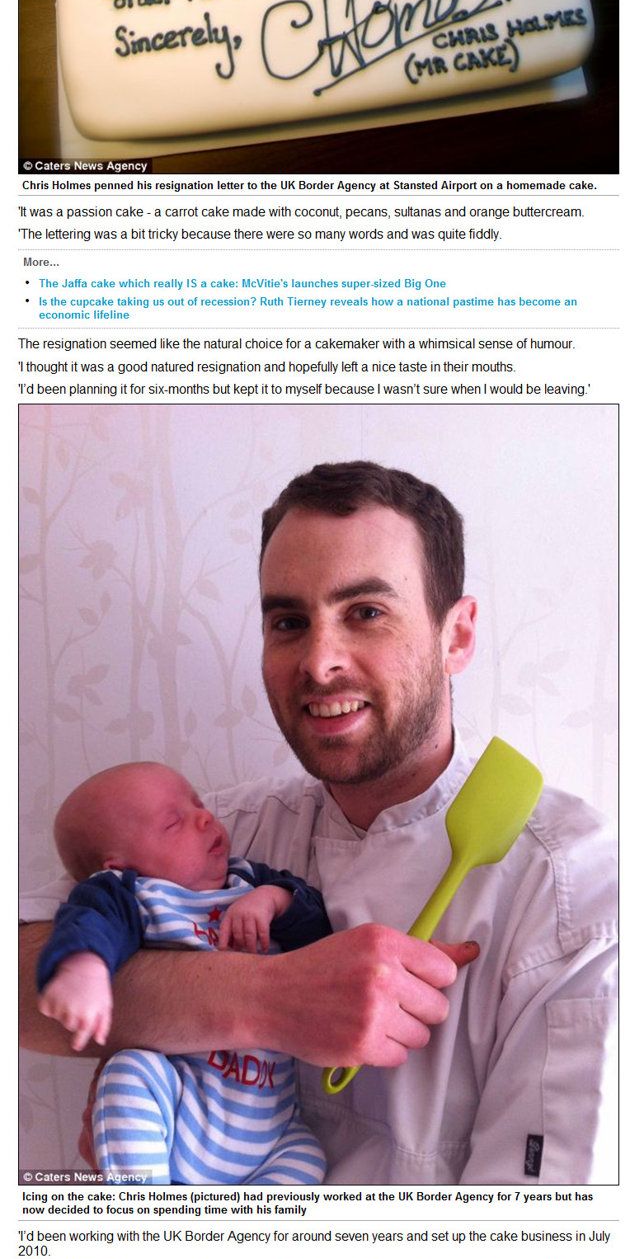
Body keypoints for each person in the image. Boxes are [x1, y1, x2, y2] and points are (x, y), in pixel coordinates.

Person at [22, 459, 617, 1183]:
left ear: (456, 636)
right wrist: (264, 999)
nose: (319, 662)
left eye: (365, 612)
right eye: (289, 622)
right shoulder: (213, 834)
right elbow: (22, 980)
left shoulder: (571, 887)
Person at [35, 761, 330, 1184]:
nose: (204, 818)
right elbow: (89, 923)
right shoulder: (133, 896)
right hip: (176, 1112)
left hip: (273, 1133)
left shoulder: (248, 880)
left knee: (309, 1158)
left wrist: (273, 900)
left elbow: (318, 929)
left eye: (197, 803)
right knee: (128, 1074)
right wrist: (84, 966)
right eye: (173, 823)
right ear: (118, 866)